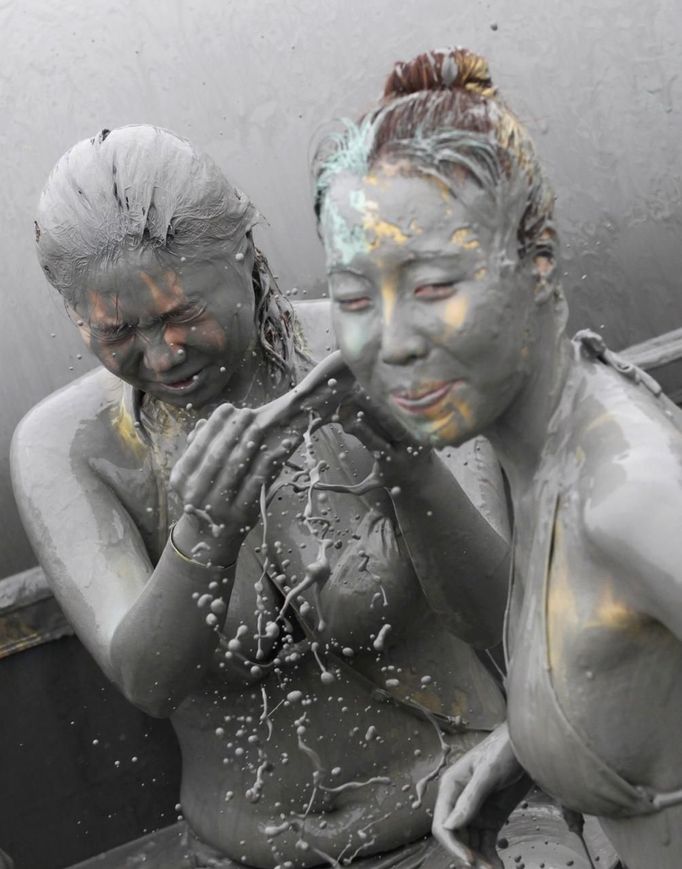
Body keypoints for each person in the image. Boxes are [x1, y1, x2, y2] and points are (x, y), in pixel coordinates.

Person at [12, 125, 515, 868]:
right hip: (240, 854)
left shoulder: (384, 351)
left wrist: (412, 465)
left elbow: (499, 613)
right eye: (119, 331)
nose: (160, 354)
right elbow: (149, 681)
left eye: (183, 313)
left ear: (244, 254)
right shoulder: (69, 446)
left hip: (472, 818)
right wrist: (202, 535)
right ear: (75, 315)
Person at [313, 47, 682, 869]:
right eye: (350, 298)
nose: (392, 341)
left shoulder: (629, 496)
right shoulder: (543, 446)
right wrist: (538, 739)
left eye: (435, 285)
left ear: (538, 258)